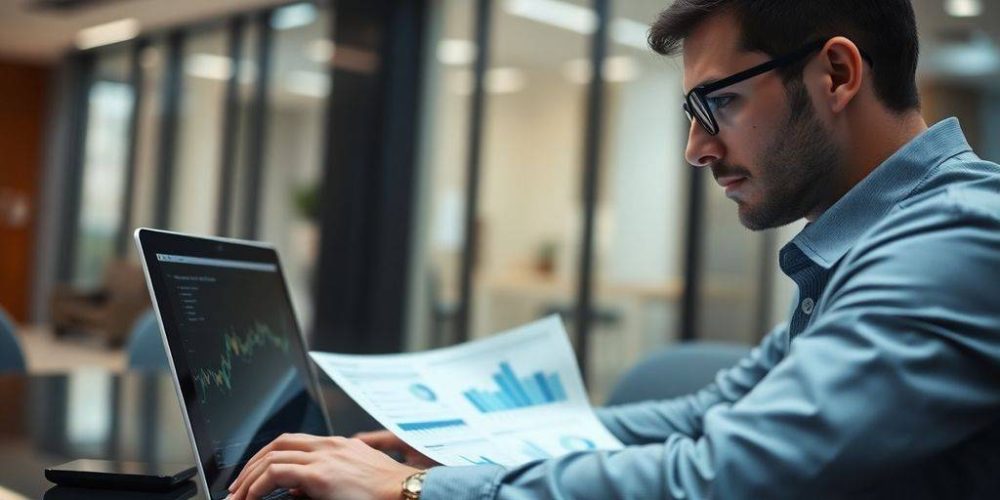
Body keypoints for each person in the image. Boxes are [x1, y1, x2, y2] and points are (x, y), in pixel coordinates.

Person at [226, 1, 1000, 498]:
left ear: (836, 73)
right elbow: (710, 415)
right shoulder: (874, 241)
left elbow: (734, 475)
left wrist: (415, 494)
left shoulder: (953, 240)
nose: (697, 148)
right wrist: (463, 449)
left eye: (718, 102)